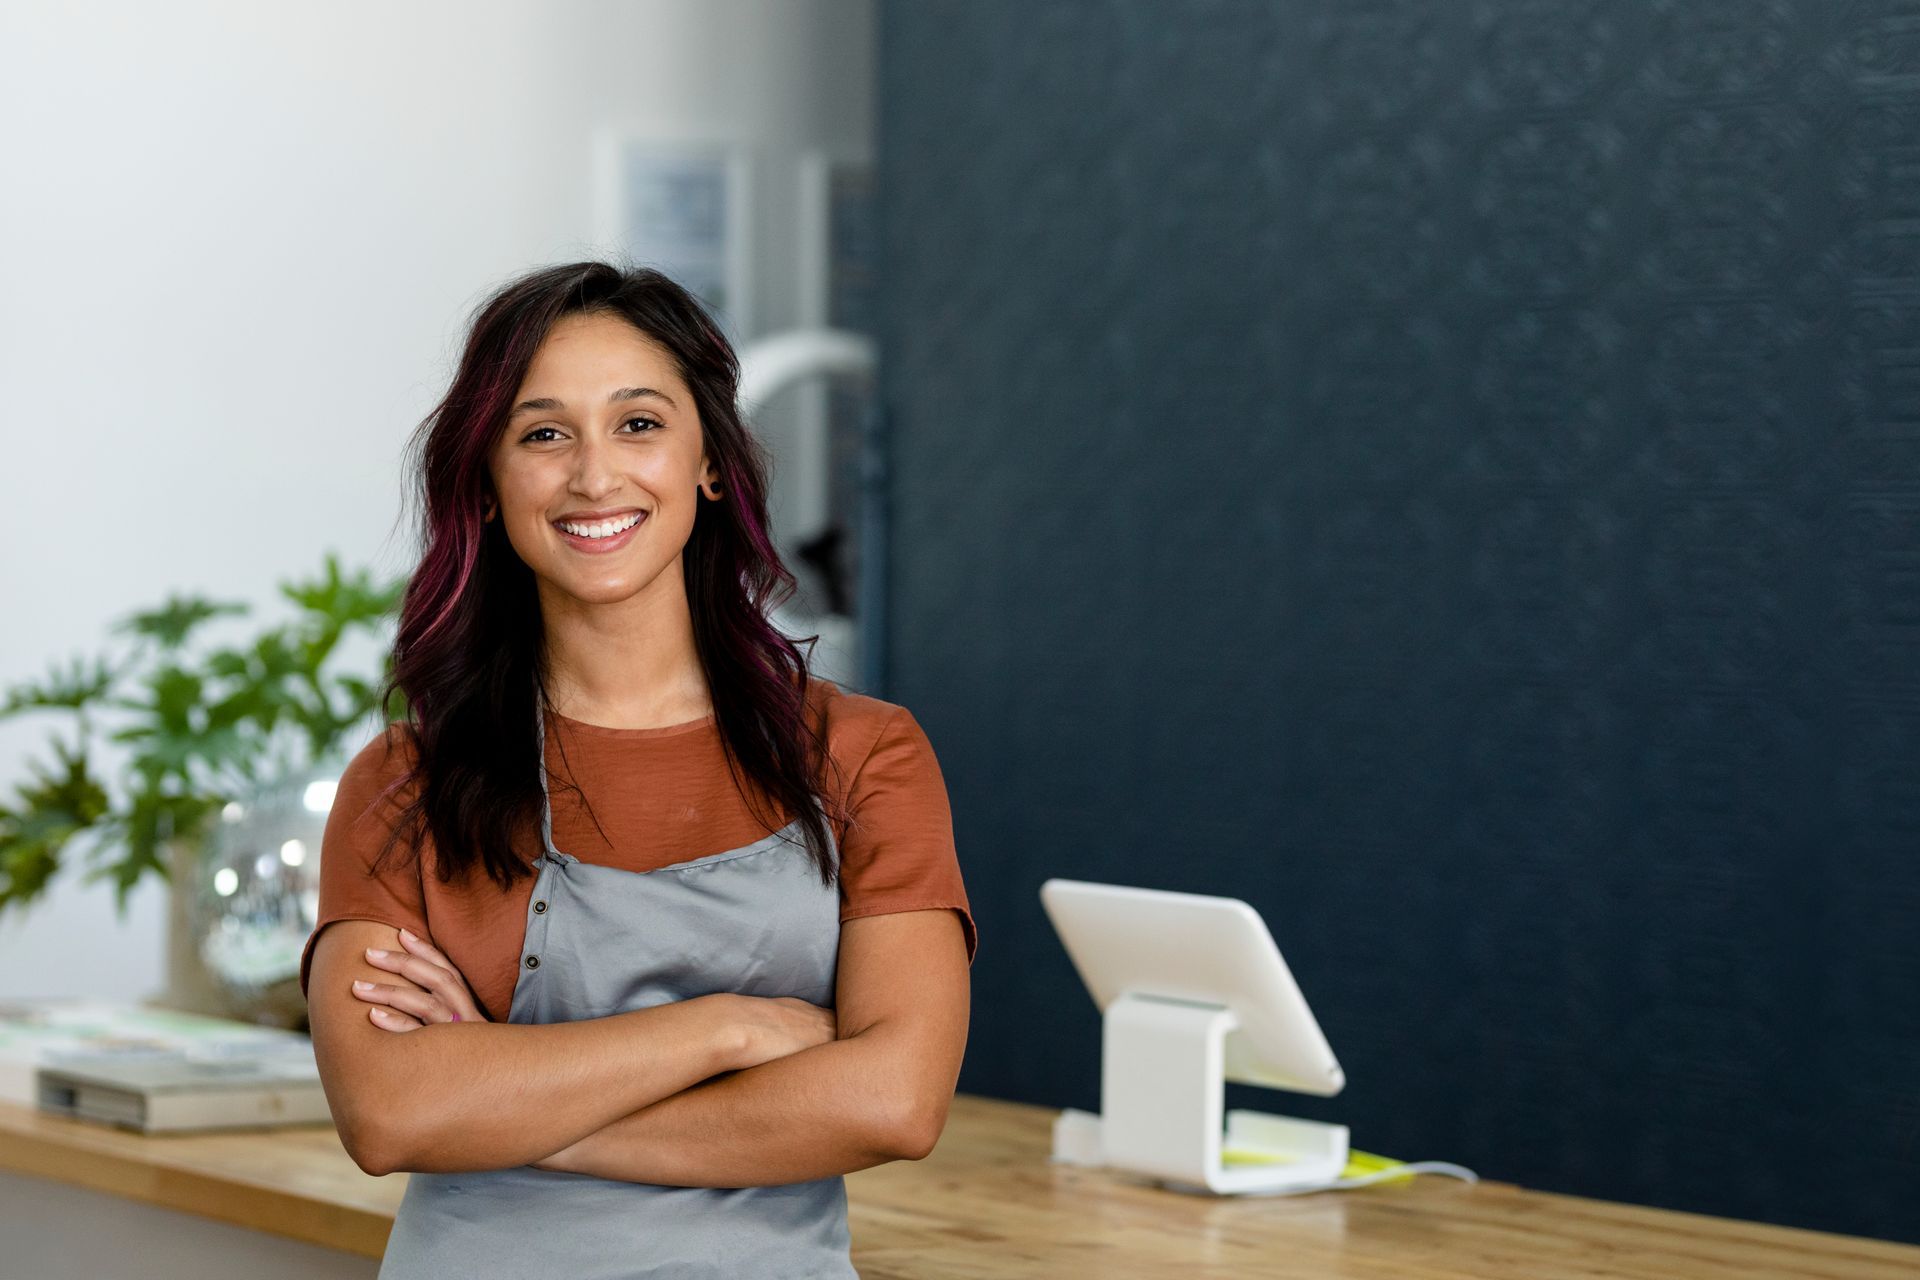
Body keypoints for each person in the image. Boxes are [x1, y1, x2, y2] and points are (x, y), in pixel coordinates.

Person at [299, 261, 976, 1279]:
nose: (594, 476)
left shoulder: (863, 755)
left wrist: (501, 1105)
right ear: (487, 481)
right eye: (543, 433)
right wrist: (732, 1028)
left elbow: (893, 1100)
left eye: (639, 423)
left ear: (711, 460)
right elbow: (391, 1114)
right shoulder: (404, 784)